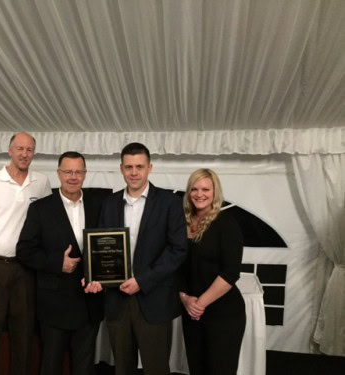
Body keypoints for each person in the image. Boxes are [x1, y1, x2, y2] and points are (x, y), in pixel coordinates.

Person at [85, 142, 188, 375]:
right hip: (116, 300)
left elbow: (177, 250)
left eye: (139, 166)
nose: (134, 172)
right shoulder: (109, 203)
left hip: (154, 299)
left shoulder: (169, 203)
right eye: (129, 167)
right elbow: (100, 248)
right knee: (122, 367)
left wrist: (142, 280)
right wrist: (93, 275)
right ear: (121, 168)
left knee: (156, 368)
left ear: (149, 168)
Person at [0, 132, 51, 375]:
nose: (25, 154)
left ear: (34, 153)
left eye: (30, 150)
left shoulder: (42, 183)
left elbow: (47, 224)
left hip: (26, 269)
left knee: (24, 334)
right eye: (20, 148)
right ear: (10, 150)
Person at [16, 151, 104, 375]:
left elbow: (105, 248)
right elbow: (24, 251)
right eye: (67, 172)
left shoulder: (99, 205)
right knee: (51, 365)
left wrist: (101, 275)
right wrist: (57, 263)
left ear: (85, 174)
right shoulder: (40, 208)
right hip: (53, 304)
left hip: (89, 302)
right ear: (58, 173)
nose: (72, 177)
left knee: (84, 367)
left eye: (78, 172)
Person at [179, 168, 246, 375]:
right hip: (190, 312)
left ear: (215, 192)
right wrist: (185, 299)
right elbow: (175, 267)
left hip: (223, 314)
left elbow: (230, 273)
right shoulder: (181, 223)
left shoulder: (227, 224)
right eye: (195, 189)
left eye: (206, 189)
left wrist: (200, 303)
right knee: (196, 370)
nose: (200, 194)